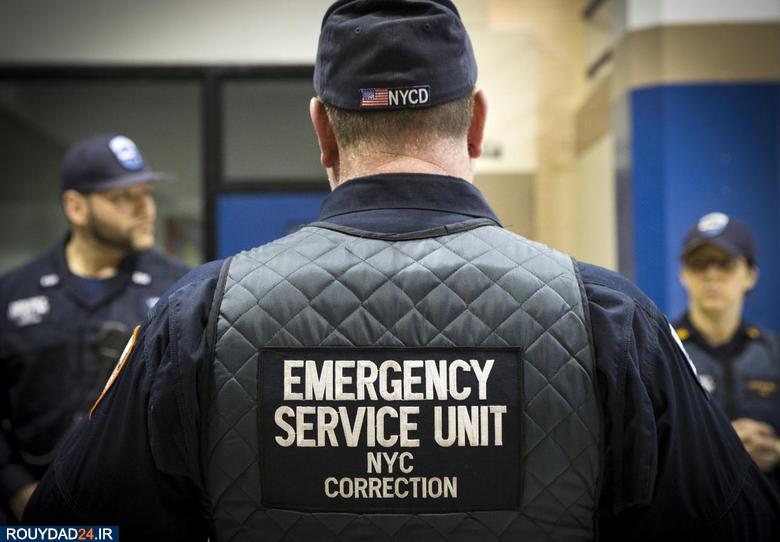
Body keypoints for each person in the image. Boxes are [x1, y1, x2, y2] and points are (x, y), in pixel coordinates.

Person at [24, 1, 779, 540]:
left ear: (323, 131)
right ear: (476, 121)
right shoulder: (612, 320)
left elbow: (64, 529)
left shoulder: (195, 318)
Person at [0, 133, 189, 523]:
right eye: (123, 196)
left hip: (146, 517)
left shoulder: (181, 289)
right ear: (76, 207)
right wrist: (17, 489)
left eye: (147, 193)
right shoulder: (13, 294)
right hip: (38, 516)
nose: (145, 208)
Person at [674, 212, 780, 493]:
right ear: (683, 275)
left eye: (726, 263)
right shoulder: (662, 352)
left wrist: (775, 450)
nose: (712, 274)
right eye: (699, 264)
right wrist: (714, 449)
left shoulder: (774, 354)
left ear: (750, 276)